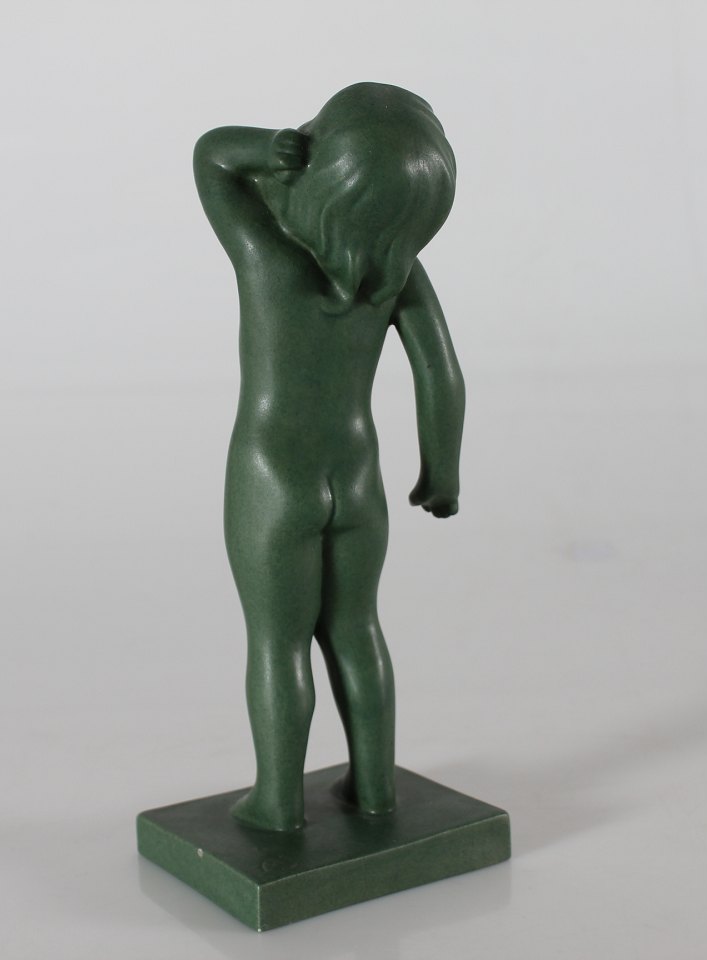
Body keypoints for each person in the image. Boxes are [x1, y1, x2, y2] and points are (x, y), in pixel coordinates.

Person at [193, 82, 464, 832]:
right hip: (358, 477)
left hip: (272, 476)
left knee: (278, 643)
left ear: (324, 165)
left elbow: (211, 159)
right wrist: (441, 472)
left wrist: (272, 146)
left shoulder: (267, 254)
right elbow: (441, 372)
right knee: (357, 630)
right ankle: (374, 789)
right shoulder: (395, 275)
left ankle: (278, 803)